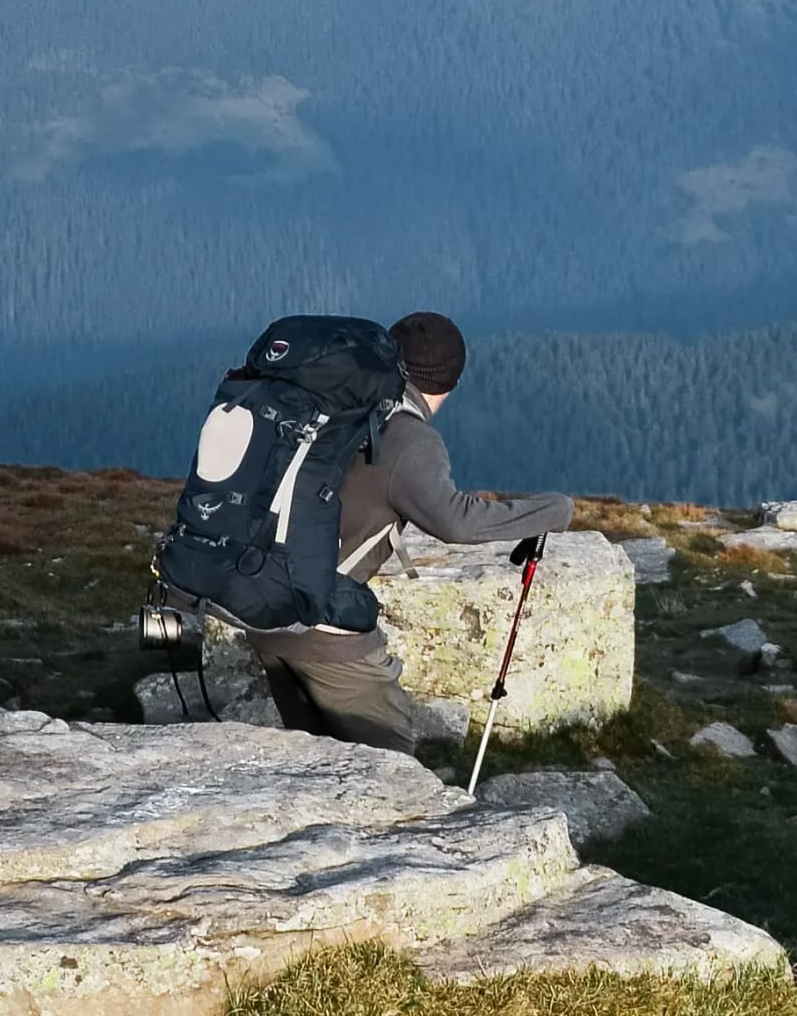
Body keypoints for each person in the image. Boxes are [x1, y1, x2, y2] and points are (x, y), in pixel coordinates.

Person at [246, 310, 573, 750]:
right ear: (447, 385)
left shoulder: (333, 405)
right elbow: (456, 520)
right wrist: (551, 511)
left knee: (317, 754)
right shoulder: (406, 438)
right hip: (321, 626)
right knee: (393, 762)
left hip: (259, 605)